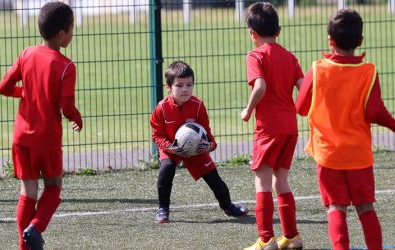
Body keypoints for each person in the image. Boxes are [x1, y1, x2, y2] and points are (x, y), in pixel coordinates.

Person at [296, 8, 395, 250]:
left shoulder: (317, 70)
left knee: (336, 208)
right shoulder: (368, 72)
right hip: (359, 156)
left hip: (329, 156)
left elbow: (300, 107)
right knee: (366, 208)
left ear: (330, 40)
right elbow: (375, 112)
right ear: (360, 41)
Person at [0, 2, 82, 250]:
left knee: (28, 191)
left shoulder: (26, 53)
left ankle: (24, 246)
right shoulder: (66, 65)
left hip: (22, 137)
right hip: (47, 139)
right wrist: (77, 118)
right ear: (62, 34)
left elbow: (3, 87)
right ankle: (35, 228)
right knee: (54, 188)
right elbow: (66, 107)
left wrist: (26, 92)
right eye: (72, 28)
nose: (73, 33)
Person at [150, 61, 249, 224]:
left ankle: (228, 206)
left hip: (196, 151)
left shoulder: (198, 106)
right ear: (168, 87)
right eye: (179, 85)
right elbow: (157, 136)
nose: (185, 89)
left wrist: (208, 146)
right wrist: (170, 147)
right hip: (171, 148)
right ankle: (163, 210)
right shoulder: (161, 108)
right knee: (165, 172)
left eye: (189, 85)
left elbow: (209, 137)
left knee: (215, 179)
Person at [241, 2, 304, 250]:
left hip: (268, 129)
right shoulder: (290, 57)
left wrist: (248, 110)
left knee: (263, 183)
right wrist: (299, 110)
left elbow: (260, 87)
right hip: (290, 128)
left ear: (252, 33)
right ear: (279, 31)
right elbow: (304, 87)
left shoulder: (255, 55)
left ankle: (266, 240)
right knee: (282, 181)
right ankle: (291, 236)